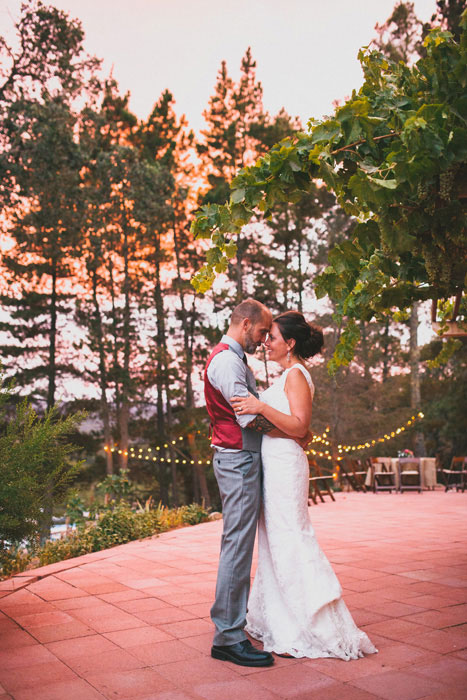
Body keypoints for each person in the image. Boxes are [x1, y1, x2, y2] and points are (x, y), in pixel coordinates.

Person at [231, 311, 377, 660]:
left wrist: (259, 406)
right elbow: (298, 431)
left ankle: (314, 621)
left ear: (290, 343)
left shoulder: (296, 375)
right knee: (274, 540)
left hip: (285, 468)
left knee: (291, 537)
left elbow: (299, 427)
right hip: (274, 463)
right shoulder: (286, 376)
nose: (266, 342)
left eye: (273, 337)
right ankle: (279, 617)